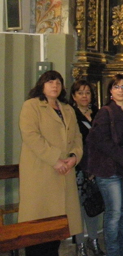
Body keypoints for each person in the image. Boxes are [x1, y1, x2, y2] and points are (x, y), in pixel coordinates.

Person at [18, 70, 83, 256]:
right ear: (42, 85)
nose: (55, 86)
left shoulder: (68, 109)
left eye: (58, 82)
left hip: (64, 173)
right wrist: (55, 159)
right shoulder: (31, 106)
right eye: (50, 82)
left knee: (57, 226)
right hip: (41, 172)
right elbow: (31, 136)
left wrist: (74, 157)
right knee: (37, 226)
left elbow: (77, 137)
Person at [87, 74, 123, 256]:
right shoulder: (105, 112)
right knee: (115, 214)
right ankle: (113, 252)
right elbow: (102, 141)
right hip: (110, 171)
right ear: (110, 91)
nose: (121, 90)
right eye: (117, 87)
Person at [70, 80, 105, 256]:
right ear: (73, 96)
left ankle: (93, 241)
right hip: (79, 168)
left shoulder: (99, 113)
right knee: (79, 208)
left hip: (97, 167)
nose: (85, 96)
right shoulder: (70, 115)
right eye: (80, 93)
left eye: (87, 93)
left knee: (94, 206)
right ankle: (80, 245)